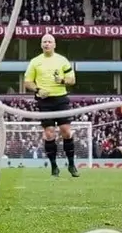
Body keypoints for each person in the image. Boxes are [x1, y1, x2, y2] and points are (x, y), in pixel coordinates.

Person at [24, 33, 79, 178]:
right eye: (44, 42)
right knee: (49, 134)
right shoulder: (35, 62)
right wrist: (38, 90)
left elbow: (72, 79)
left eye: (49, 41)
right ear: (41, 45)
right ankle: (54, 166)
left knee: (66, 131)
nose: (47, 44)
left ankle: (72, 165)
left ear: (54, 44)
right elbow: (27, 82)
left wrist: (62, 80)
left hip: (61, 99)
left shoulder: (62, 60)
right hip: (45, 102)